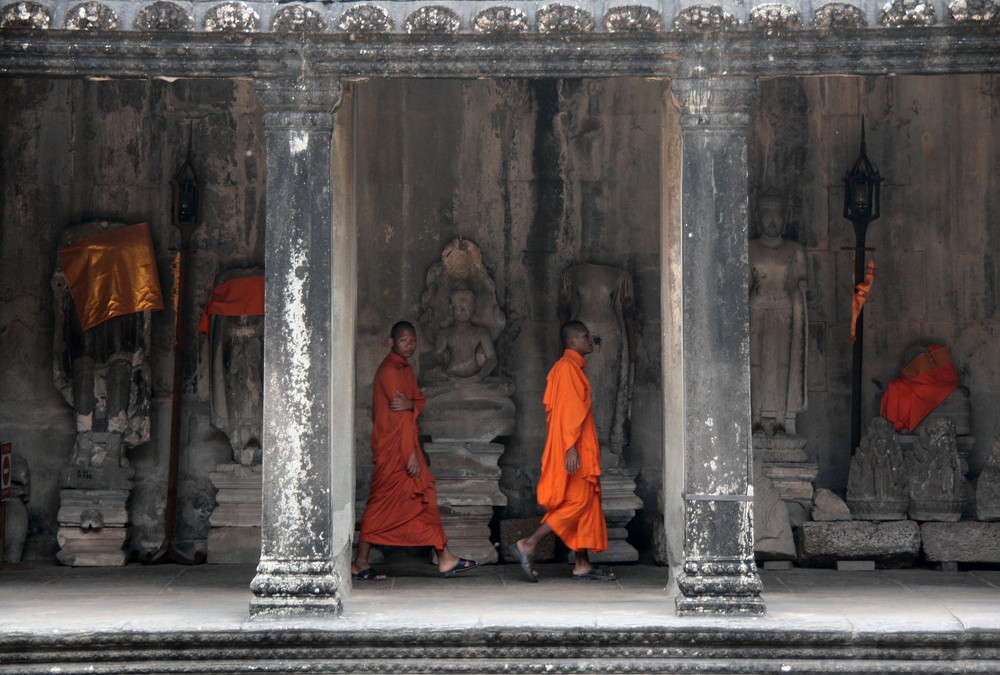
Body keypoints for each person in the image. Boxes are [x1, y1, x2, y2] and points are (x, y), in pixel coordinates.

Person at [352, 321, 478, 581]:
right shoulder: (389, 370)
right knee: (382, 505)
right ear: (391, 342)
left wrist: (413, 404)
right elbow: (400, 417)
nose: (409, 345)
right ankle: (361, 560)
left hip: (405, 446)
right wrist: (410, 453)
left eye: (412, 340)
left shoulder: (404, 369)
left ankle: (445, 557)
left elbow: (415, 403)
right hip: (396, 450)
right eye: (403, 341)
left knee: (423, 498)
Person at [510, 321, 615, 582]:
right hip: (574, 449)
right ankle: (530, 543)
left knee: (587, 502)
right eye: (584, 336)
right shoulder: (568, 368)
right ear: (572, 342)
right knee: (578, 502)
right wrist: (570, 448)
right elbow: (569, 412)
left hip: (579, 447)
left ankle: (582, 563)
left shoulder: (572, 368)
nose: (590, 339)